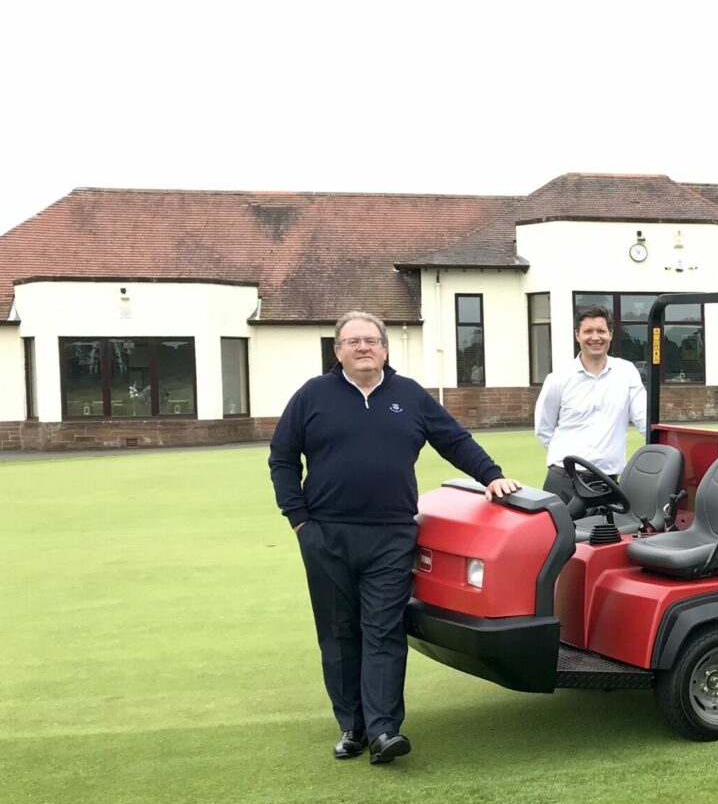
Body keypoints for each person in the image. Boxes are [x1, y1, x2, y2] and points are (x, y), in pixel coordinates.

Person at [269, 310, 522, 763]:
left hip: (391, 535)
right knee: (339, 633)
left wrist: (492, 475)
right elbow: (282, 459)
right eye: (353, 341)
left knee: (384, 630)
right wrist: (299, 520)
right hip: (326, 534)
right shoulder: (312, 396)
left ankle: (384, 730)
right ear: (337, 351)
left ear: (385, 348)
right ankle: (352, 727)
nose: (363, 347)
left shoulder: (409, 396)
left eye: (371, 340)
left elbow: (454, 440)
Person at [534, 303, 648, 508]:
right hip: (563, 481)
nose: (595, 337)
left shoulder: (627, 372)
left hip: (607, 484)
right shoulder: (558, 378)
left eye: (601, 331)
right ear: (577, 335)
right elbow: (544, 428)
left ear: (611, 334)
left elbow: (644, 420)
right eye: (588, 331)